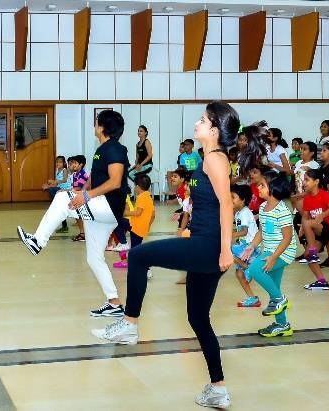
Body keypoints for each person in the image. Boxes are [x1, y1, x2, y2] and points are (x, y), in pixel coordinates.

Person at [92, 102, 265, 410]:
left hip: (207, 246)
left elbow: (227, 205)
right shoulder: (208, 158)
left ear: (214, 130)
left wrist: (226, 249)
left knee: (139, 256)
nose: (197, 123)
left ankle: (129, 323)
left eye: (203, 120)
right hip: (205, 245)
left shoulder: (214, 158)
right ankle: (218, 388)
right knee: (198, 318)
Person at [17, 109, 130, 318]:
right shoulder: (102, 149)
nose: (94, 125)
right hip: (102, 207)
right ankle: (114, 303)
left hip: (108, 206)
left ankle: (38, 241)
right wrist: (82, 190)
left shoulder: (115, 148)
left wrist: (86, 196)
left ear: (102, 127)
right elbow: (96, 177)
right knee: (94, 258)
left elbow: (115, 181)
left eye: (96, 122)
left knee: (62, 199)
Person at [241, 171, 297, 337]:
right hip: (270, 250)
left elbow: (287, 238)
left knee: (255, 269)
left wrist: (273, 257)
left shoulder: (282, 210)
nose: (258, 187)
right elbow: (261, 231)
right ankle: (282, 325)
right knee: (274, 287)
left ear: (273, 189)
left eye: (262, 185)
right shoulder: (263, 207)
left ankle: (280, 299)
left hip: (283, 252)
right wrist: (252, 246)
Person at [300, 169, 329, 289]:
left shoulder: (324, 194)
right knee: (307, 255)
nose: (304, 182)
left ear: (316, 181)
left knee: (308, 224)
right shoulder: (307, 198)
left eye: (307, 180)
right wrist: (302, 228)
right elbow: (305, 216)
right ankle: (321, 281)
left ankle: (313, 251)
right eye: (304, 180)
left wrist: (322, 215)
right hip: (319, 229)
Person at [113, 174, 155, 275]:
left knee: (116, 220)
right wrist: (147, 226)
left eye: (134, 186)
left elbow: (138, 213)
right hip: (140, 228)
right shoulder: (149, 197)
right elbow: (153, 215)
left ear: (137, 187)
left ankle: (123, 243)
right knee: (136, 250)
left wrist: (123, 213)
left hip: (135, 226)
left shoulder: (142, 197)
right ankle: (146, 270)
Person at [230, 184, 261, 308]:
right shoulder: (239, 213)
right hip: (244, 245)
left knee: (225, 251)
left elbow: (244, 232)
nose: (230, 200)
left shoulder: (244, 213)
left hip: (250, 247)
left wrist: (229, 234)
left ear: (242, 200)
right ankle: (252, 298)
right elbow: (239, 230)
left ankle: (247, 267)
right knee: (239, 274)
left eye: (233, 197)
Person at [70, 155, 89, 242]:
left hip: (85, 198)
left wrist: (65, 190)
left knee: (80, 216)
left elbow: (79, 188)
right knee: (77, 216)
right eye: (72, 163)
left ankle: (83, 234)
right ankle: (82, 233)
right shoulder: (75, 174)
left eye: (75, 163)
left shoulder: (82, 174)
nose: (73, 165)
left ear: (81, 165)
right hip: (79, 197)